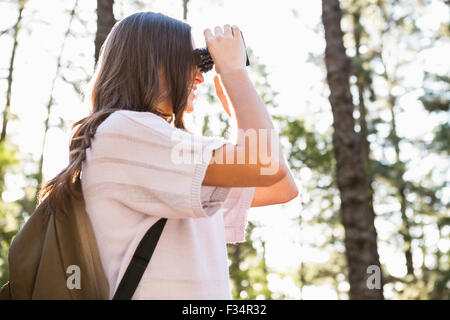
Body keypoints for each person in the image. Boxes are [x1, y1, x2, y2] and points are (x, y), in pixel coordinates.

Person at [38, 11, 298, 299]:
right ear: (154, 63)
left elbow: (280, 187)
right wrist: (234, 74)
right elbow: (266, 165)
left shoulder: (159, 153)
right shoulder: (125, 132)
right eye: (191, 62)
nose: (200, 76)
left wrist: (237, 98)